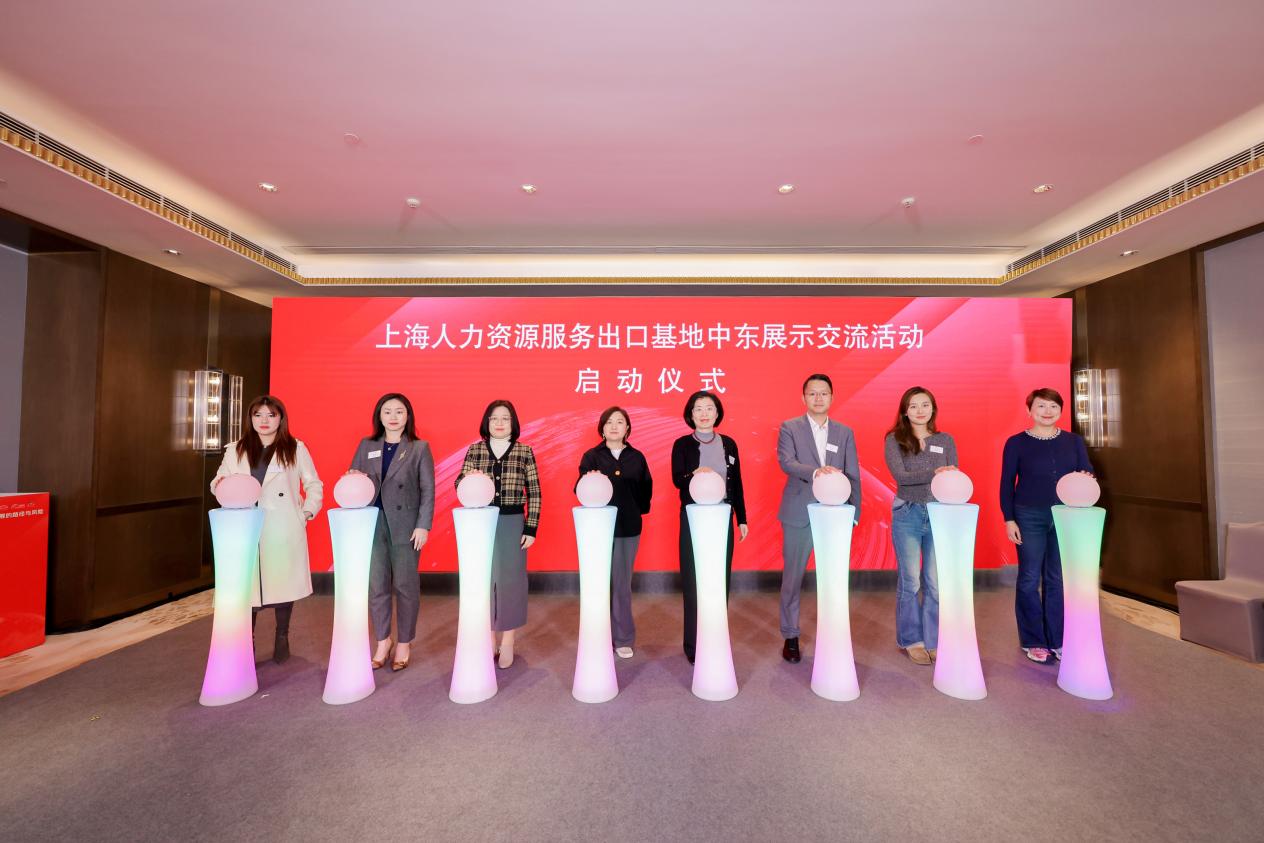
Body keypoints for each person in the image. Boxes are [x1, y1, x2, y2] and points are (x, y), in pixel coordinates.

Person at [211, 395, 322, 664]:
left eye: (271, 415)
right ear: (250, 418)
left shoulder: (295, 448)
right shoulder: (235, 449)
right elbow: (217, 482)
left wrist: (305, 513)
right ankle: (245, 641)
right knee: (246, 587)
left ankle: (282, 635)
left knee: (282, 585)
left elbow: (313, 484)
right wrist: (222, 487)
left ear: (280, 418)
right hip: (245, 526)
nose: (264, 420)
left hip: (281, 526)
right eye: (258, 415)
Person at [1000, 387, 1094, 665]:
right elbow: (1007, 483)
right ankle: (1033, 640)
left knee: (1057, 579)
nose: (1047, 411)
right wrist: (1009, 518)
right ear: (1029, 410)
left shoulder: (1073, 441)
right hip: (1028, 515)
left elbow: (1086, 470)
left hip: (1065, 515)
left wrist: (1087, 476)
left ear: (1061, 410)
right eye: (1041, 406)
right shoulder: (1016, 443)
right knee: (1029, 578)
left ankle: (1057, 639)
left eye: (1053, 406)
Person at [346, 393, 435, 672]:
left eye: (399, 411)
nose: (393, 416)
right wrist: (351, 479)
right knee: (377, 585)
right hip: (372, 523)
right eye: (387, 411)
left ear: (408, 416)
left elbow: (428, 490)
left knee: (406, 586)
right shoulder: (367, 445)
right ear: (379, 416)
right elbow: (354, 478)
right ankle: (383, 641)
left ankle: (404, 642)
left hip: (406, 526)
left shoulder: (419, 448)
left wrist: (423, 525)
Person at [776, 373, 860, 664]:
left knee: (834, 578)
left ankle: (833, 634)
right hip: (799, 511)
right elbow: (787, 462)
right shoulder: (790, 427)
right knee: (793, 577)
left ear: (832, 397)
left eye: (824, 393)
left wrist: (854, 513)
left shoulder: (844, 432)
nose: (818, 398)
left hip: (835, 515)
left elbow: (853, 473)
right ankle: (790, 635)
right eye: (812, 393)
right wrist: (816, 472)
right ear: (804, 397)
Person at [456, 400, 541, 669]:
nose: (500, 423)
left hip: (512, 522)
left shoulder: (524, 451)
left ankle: (508, 641)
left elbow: (534, 492)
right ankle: (489, 638)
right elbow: (459, 484)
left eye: (505, 418)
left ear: (513, 423)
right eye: (494, 418)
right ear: (487, 422)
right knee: (484, 581)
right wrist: (470, 479)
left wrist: (531, 527)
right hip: (481, 523)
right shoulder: (475, 450)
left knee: (511, 582)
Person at [670, 390, 748, 665]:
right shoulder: (682, 444)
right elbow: (677, 480)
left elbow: (736, 483)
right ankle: (693, 644)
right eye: (698, 408)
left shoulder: (729, 444)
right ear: (690, 415)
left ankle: (716, 638)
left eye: (709, 408)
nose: (704, 413)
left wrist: (741, 518)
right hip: (693, 518)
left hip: (722, 517)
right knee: (693, 580)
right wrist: (695, 473)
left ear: (717, 413)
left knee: (719, 579)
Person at [884, 386, 957, 666]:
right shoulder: (895, 439)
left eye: (925, 405)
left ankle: (934, 639)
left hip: (938, 513)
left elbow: (953, 475)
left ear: (933, 408)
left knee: (935, 582)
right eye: (913, 406)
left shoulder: (945, 440)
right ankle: (911, 640)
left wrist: (944, 476)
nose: (919, 410)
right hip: (908, 512)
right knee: (911, 580)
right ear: (905, 411)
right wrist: (935, 472)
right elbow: (902, 477)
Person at [576, 407, 653, 659]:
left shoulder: (637, 457)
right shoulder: (591, 456)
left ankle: (623, 638)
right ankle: (598, 636)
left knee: (621, 585)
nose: (614, 426)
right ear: (602, 428)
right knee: (597, 584)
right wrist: (590, 478)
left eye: (620, 422)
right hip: (597, 530)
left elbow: (646, 491)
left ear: (627, 428)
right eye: (609, 422)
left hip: (627, 528)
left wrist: (634, 510)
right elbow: (579, 488)